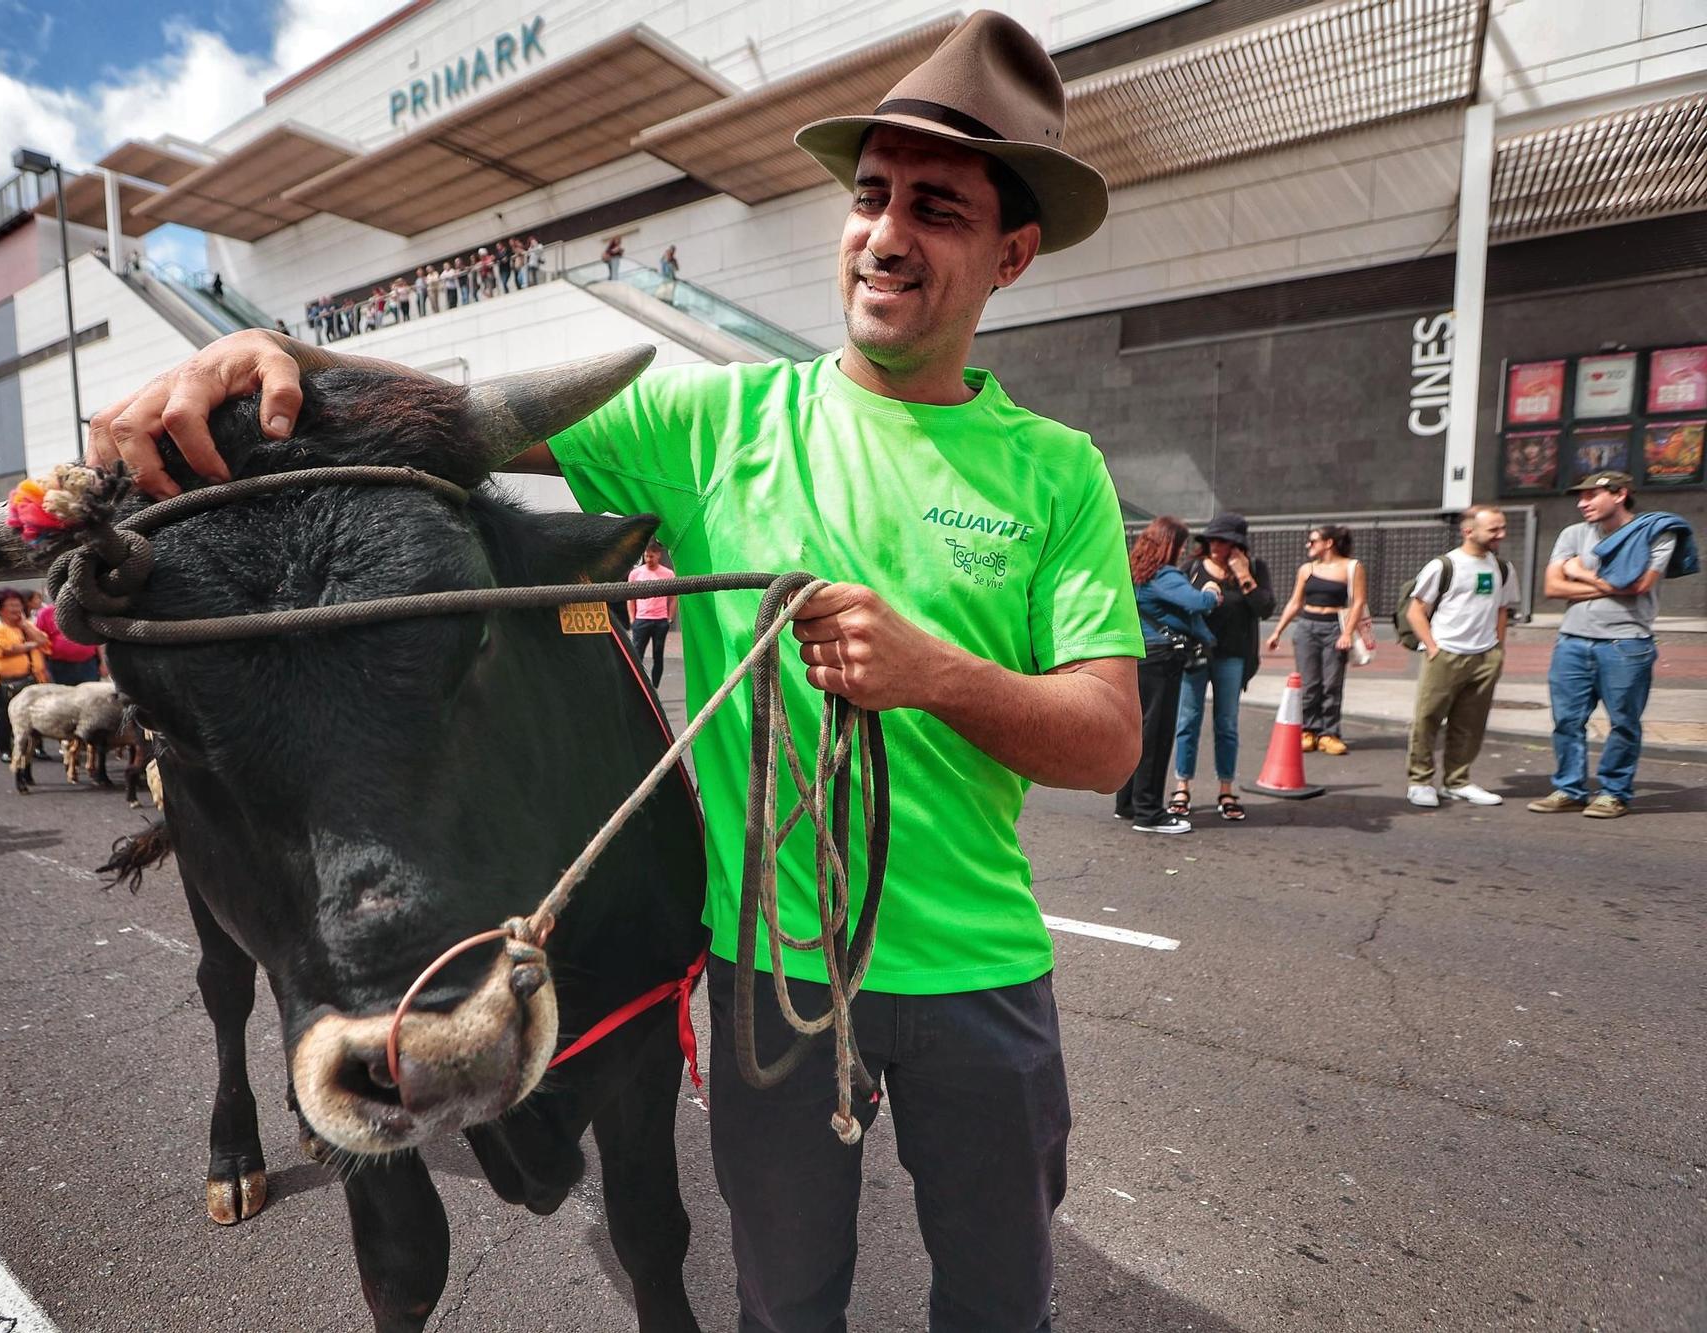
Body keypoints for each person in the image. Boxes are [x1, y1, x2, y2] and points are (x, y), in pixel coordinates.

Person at [88, 14, 1140, 1330]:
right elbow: (431, 411)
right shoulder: (713, 423)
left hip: (983, 978)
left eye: (936, 207)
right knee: (783, 1302)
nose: (885, 233)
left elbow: (1106, 739)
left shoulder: (1059, 470)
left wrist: (937, 673)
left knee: (1000, 1303)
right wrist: (273, 361)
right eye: (869, 195)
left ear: (1012, 252)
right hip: (773, 978)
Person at [1529, 471, 1697, 817]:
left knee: (1623, 723)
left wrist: (1581, 572)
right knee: (1567, 722)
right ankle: (1569, 788)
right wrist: (1609, 584)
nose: (1582, 503)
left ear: (1620, 494)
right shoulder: (1573, 533)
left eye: (1591, 495)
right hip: (1572, 641)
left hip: (1626, 644)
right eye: (1580, 497)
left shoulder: (1655, 533)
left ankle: (1614, 792)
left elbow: (1639, 585)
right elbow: (1553, 588)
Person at [1402, 506, 1520, 808]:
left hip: (1485, 656)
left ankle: (1457, 781)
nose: (1501, 534)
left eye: (1502, 527)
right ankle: (1420, 781)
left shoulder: (1503, 568)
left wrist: (1498, 650)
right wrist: (1432, 647)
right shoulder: (1444, 566)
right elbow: (1415, 610)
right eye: (1494, 529)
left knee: (1470, 723)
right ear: (1469, 531)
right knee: (1427, 719)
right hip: (1446, 654)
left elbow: (1502, 610)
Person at [1117, 517, 1218, 834]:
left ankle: (1127, 803)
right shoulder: (1166, 574)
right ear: (1170, 545)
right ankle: (1149, 812)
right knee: (1157, 736)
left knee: (1139, 731)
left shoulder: (1135, 572)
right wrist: (1212, 592)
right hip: (1163, 658)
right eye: (1182, 544)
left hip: (1139, 655)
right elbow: (1196, 601)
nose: (1184, 550)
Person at [1170, 513, 1272, 823]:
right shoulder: (1191, 568)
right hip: (1195, 654)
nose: (1217, 545)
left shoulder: (1254, 569)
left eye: (1225, 541)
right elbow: (1176, 604)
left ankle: (1226, 789)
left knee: (1226, 724)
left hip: (1232, 656)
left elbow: (1265, 608)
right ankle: (1181, 787)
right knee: (1187, 720)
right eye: (1213, 539)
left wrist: (1244, 576)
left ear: (1238, 545)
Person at [1266, 523, 1367, 755]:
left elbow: (1359, 602)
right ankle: (1308, 730)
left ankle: (1329, 733)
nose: (1308, 545)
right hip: (1307, 628)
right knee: (1309, 683)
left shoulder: (1351, 567)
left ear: (1328, 543)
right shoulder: (1307, 569)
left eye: (1313, 541)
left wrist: (1347, 633)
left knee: (1332, 683)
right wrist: (1277, 631)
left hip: (1334, 626)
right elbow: (1295, 602)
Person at [0, 587, 50, 764]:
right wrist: (30, 646)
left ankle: (36, 747)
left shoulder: (26, 626)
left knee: (35, 715)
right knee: (6, 716)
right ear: (0, 608)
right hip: (2, 683)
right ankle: (5, 749)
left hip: (32, 679)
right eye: (11, 605)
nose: (15, 609)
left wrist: (25, 625)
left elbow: (43, 641)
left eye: (18, 605)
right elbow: (4, 649)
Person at [628, 541, 678, 689]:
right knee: (637, 655)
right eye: (646, 556)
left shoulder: (668, 574)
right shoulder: (636, 574)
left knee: (658, 655)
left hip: (660, 620)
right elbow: (630, 598)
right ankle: (636, 686)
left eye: (651, 556)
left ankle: (655, 688)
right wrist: (632, 619)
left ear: (658, 556)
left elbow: (673, 598)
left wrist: (670, 617)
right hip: (641, 620)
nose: (648, 559)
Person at [35, 601, 102, 686]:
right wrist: (44, 669)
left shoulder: (88, 610)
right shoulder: (45, 613)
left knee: (92, 696)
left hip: (89, 665)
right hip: (59, 667)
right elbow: (39, 644)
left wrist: (103, 663)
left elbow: (98, 638)